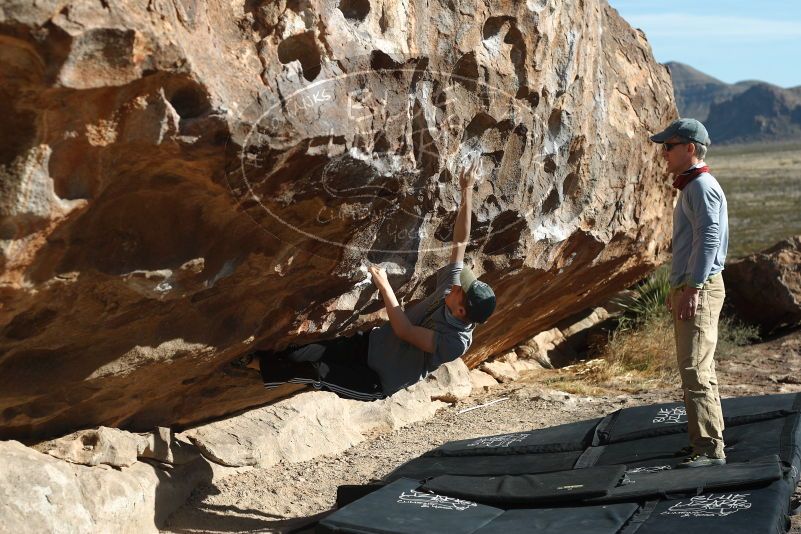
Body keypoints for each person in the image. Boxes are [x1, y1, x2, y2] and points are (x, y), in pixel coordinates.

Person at [237, 159, 496, 400]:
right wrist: (467, 190)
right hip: (369, 345)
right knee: (306, 352)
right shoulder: (450, 290)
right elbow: (460, 241)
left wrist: (383, 285)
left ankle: (252, 363)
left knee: (316, 372)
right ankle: (261, 363)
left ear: (461, 310)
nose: (457, 284)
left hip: (375, 380)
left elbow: (404, 331)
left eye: (462, 290)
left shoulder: (455, 343)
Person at [650, 118, 729, 468]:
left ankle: (711, 450)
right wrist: (676, 285)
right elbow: (690, 245)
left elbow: (708, 240)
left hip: (702, 286)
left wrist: (693, 287)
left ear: (690, 149)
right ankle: (705, 441)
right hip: (693, 284)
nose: (663, 152)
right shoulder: (692, 186)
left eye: (669, 146)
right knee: (699, 369)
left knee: (695, 370)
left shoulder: (700, 187)